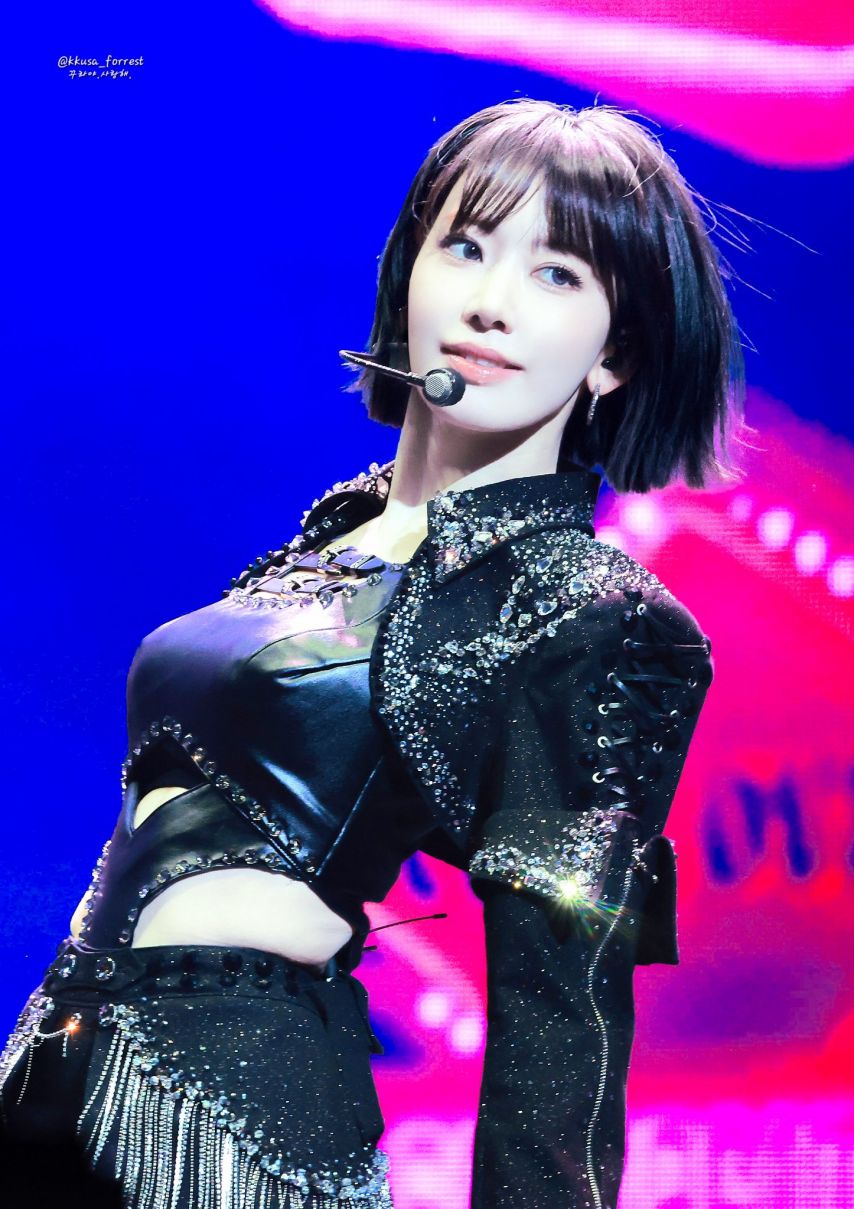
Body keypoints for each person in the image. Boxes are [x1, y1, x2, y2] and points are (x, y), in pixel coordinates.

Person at [0, 97, 745, 1208]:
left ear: (615, 355)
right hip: (56, 1061)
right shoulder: (334, 534)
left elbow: (561, 1009)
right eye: (467, 246)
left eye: (556, 274)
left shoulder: (585, 609)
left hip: (230, 1116)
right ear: (409, 274)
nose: (490, 301)